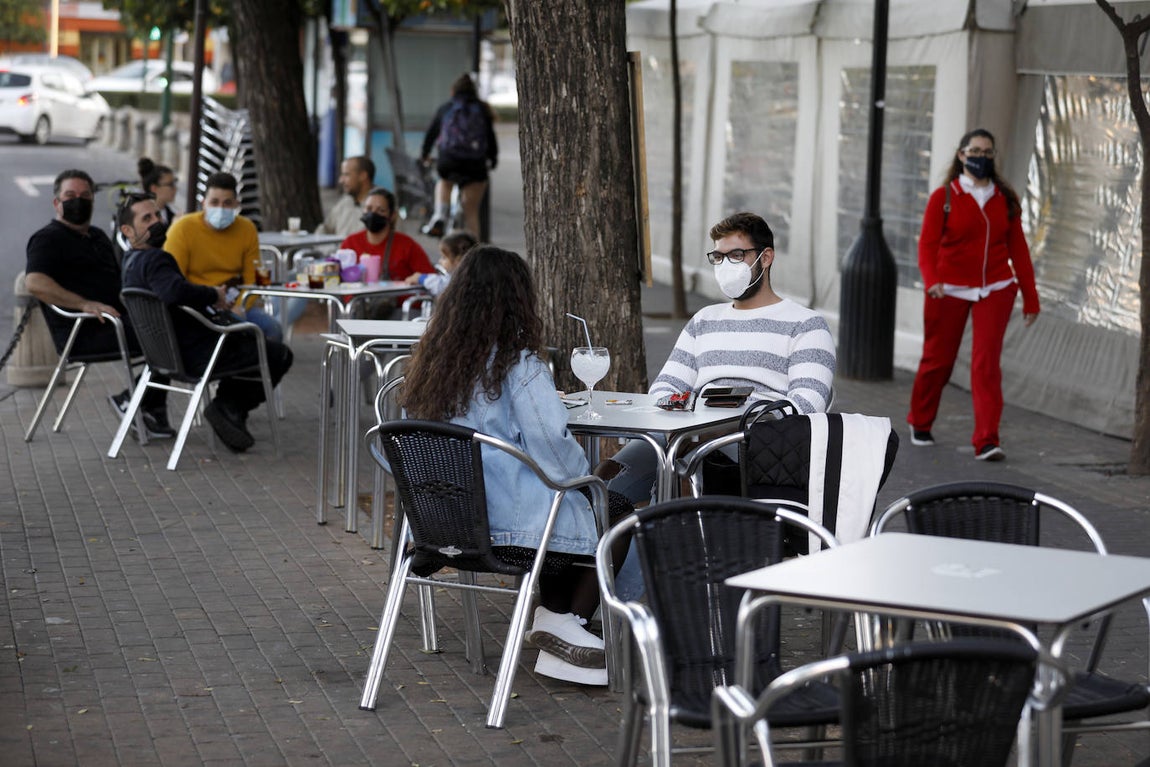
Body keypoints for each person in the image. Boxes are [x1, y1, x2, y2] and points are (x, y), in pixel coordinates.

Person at [401, 246, 632, 686]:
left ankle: (559, 626)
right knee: (611, 510)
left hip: (440, 528)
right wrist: (589, 480)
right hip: (510, 534)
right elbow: (553, 448)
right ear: (518, 300)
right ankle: (565, 620)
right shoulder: (519, 365)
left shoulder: (430, 366)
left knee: (567, 508)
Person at [599, 211, 836, 504]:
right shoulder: (704, 320)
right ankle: (604, 532)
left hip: (754, 443)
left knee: (675, 481)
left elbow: (806, 407)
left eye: (736, 255)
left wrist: (726, 427)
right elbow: (663, 388)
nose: (725, 266)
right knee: (604, 485)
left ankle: (667, 522)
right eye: (719, 257)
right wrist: (688, 419)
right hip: (686, 434)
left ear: (765, 258)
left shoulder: (806, 325)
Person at [118, 193, 293, 453]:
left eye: (157, 215)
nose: (156, 222)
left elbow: (173, 291)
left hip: (164, 356)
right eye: (147, 218)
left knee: (253, 340)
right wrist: (213, 295)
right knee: (278, 353)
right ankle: (228, 407)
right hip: (197, 355)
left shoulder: (131, 261)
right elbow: (173, 291)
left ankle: (228, 409)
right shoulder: (156, 259)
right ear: (128, 230)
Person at [908, 128, 1040, 462]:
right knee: (938, 360)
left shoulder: (1005, 199)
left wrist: (1030, 296)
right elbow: (927, 245)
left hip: (995, 287)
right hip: (947, 288)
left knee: (986, 364)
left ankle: (987, 440)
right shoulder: (944, 197)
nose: (981, 157)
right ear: (962, 155)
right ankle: (920, 420)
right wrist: (932, 280)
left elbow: (1019, 250)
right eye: (975, 151)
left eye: (987, 152)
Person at [24, 169, 174, 439]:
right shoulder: (47, 239)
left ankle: (149, 409)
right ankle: (132, 402)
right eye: (70, 195)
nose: (78, 201)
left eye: (85, 195)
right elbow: (35, 282)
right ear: (57, 202)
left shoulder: (97, 236)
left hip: (116, 320)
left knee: (171, 322)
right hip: (84, 331)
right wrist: (84, 304)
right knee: (166, 337)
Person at [162, 172, 282, 342]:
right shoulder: (182, 229)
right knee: (240, 337)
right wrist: (209, 300)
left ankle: (259, 360)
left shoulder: (247, 229)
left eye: (227, 203)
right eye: (214, 202)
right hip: (196, 306)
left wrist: (240, 307)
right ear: (203, 204)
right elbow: (175, 281)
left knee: (273, 329)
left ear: (236, 205)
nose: (220, 208)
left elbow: (252, 279)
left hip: (235, 303)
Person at [419, 74, 497, 238]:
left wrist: (425, 154)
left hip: (449, 162)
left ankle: (440, 215)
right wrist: (493, 159)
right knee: (471, 212)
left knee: (444, 181)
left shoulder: (446, 108)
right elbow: (490, 138)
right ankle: (474, 248)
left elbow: (431, 134)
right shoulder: (482, 109)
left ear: (452, 91)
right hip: (475, 166)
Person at [403, 230, 478, 297]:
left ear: (458, 261)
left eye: (444, 257)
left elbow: (441, 285)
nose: (440, 261)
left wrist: (421, 278)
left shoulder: (462, 280)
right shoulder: (467, 275)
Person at [322, 155, 375, 236]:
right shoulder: (345, 201)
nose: (341, 180)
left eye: (346, 175)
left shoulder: (380, 205)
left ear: (363, 176)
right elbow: (324, 229)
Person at [137, 157, 179, 224]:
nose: (175, 189)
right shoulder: (136, 217)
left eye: (174, 183)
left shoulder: (173, 218)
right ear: (154, 188)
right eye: (170, 184)